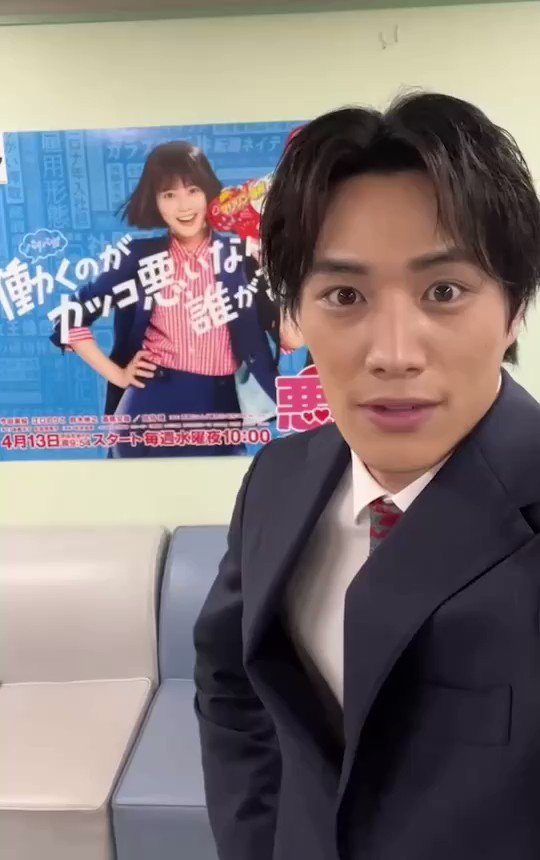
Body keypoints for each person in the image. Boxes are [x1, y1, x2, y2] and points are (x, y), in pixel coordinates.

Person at [193, 92, 540, 860]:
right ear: (295, 315)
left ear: (514, 307)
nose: (393, 353)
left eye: (443, 291)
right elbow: (232, 684)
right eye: (344, 296)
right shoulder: (280, 478)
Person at [51, 141, 295, 457]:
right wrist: (118, 375)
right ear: (155, 202)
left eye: (193, 190)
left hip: (221, 403)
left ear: (208, 192)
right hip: (151, 404)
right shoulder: (138, 257)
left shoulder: (241, 255)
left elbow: (290, 337)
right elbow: (69, 318)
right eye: (169, 194)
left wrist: (270, 263)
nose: (184, 206)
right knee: (137, 488)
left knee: (226, 488)